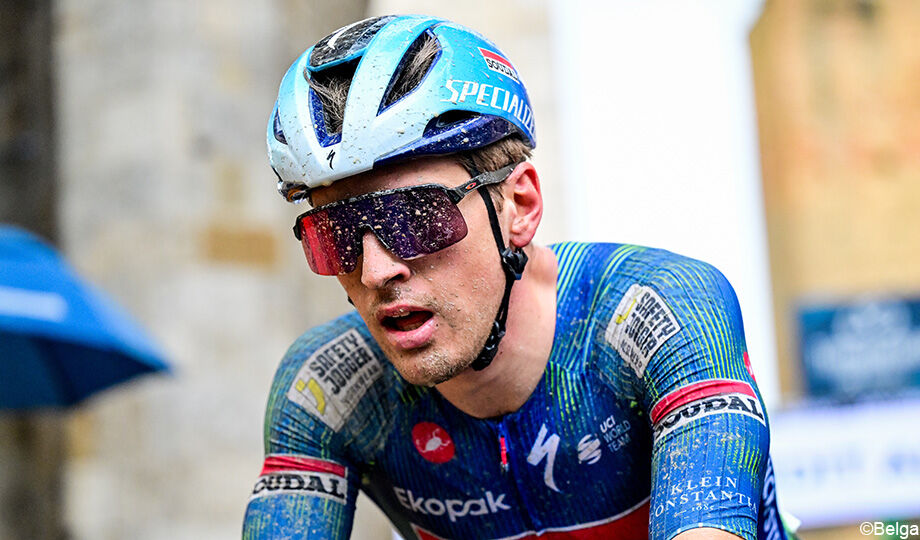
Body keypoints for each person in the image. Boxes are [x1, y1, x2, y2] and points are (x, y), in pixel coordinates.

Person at [243, 15, 795, 540]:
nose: (376, 270)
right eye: (334, 235)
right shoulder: (328, 386)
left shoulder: (665, 308)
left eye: (416, 217)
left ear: (520, 206)